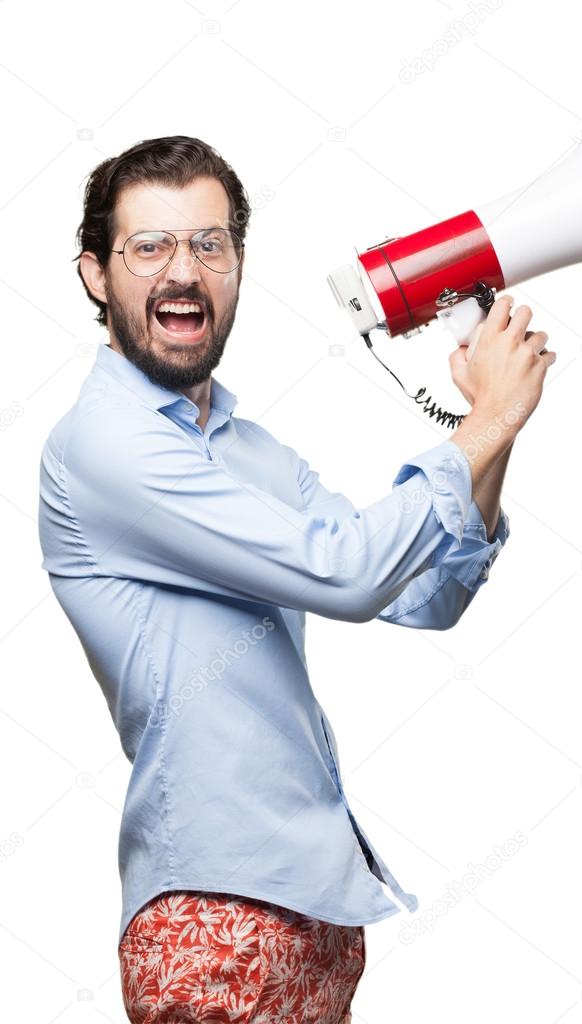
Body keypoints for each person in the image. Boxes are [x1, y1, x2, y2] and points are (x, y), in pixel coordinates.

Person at [37, 135, 555, 1023]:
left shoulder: (250, 455)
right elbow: (348, 574)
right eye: (148, 246)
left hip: (317, 906)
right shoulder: (105, 444)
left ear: (237, 266)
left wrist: (489, 430)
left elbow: (419, 593)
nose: (183, 270)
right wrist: (492, 417)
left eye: (210, 243)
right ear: (95, 275)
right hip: (211, 916)